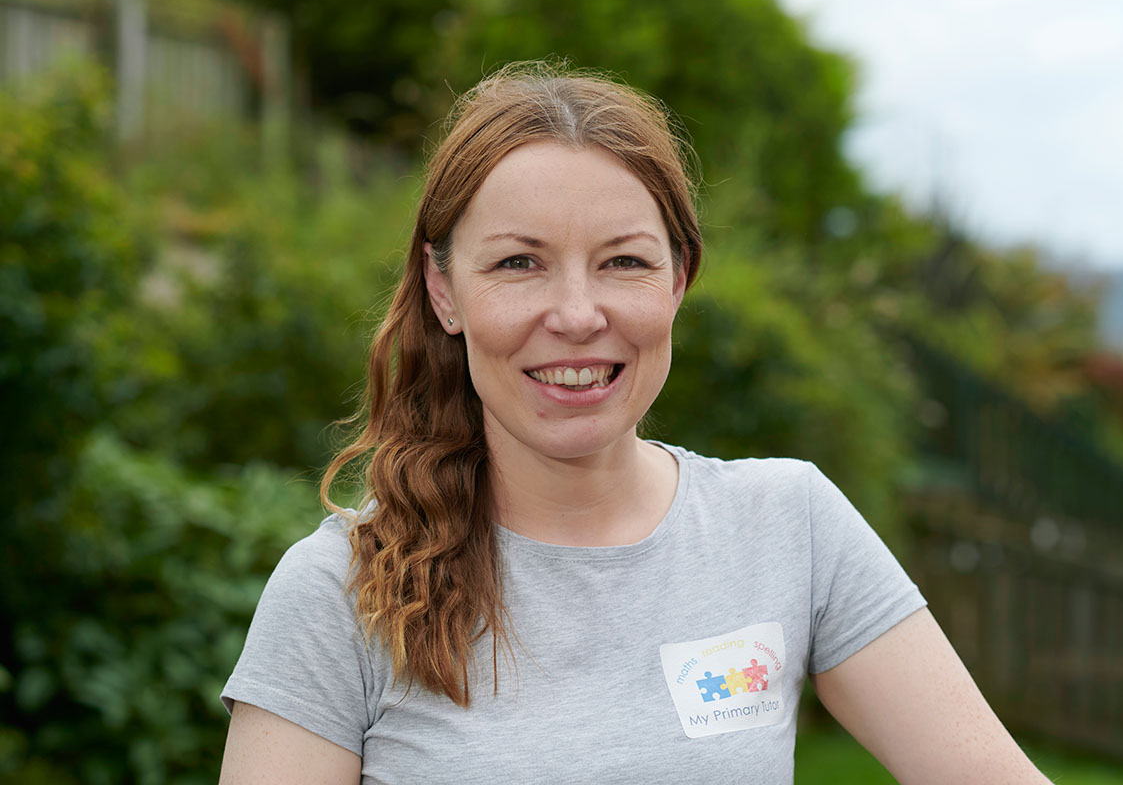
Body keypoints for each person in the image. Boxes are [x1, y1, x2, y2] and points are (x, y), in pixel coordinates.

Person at [218, 64, 1052, 784]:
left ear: (679, 280)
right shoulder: (339, 591)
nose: (578, 315)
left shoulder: (788, 525)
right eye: (519, 263)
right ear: (445, 293)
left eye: (624, 262)